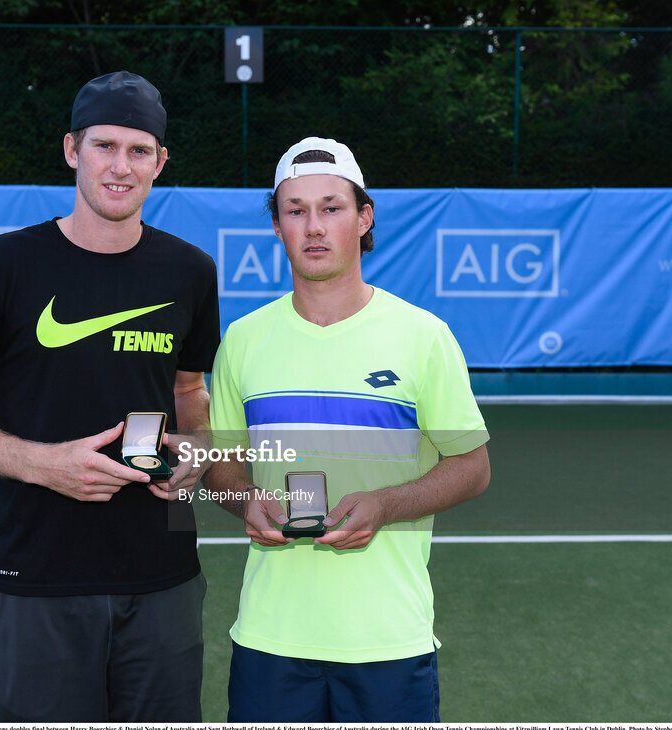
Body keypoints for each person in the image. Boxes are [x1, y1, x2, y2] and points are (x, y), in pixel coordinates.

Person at [0, 71, 220, 722]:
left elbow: (189, 391)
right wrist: (42, 464)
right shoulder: (4, 266)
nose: (120, 166)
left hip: (164, 577)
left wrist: (193, 453)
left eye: (139, 151)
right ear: (71, 150)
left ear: (160, 163)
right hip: (39, 578)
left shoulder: (190, 271)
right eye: (104, 145)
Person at [204, 137, 490, 722]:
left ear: (364, 217)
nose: (314, 226)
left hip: (388, 640)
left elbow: (472, 467)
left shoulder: (424, 337)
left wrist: (386, 504)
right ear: (278, 226)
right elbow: (223, 463)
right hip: (269, 638)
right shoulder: (242, 340)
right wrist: (243, 500)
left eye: (331, 208)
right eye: (295, 209)